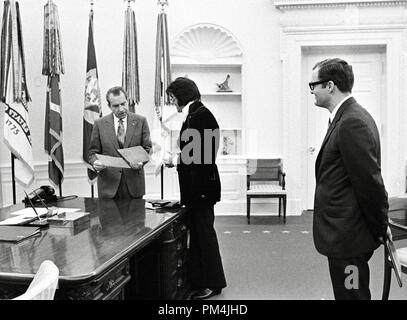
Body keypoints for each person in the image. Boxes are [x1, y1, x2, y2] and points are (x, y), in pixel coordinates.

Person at [310, 58, 390, 300]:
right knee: (350, 293)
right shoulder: (345, 117)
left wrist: (380, 226)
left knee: (352, 294)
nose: (312, 90)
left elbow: (369, 182)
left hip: (348, 238)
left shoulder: (352, 121)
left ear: (330, 85)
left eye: (313, 85)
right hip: (344, 235)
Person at [165, 77, 227, 300]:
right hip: (199, 188)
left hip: (200, 189)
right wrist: (181, 157)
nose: (173, 102)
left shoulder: (199, 116)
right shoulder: (197, 114)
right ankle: (202, 280)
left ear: (182, 95)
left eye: (173, 97)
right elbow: (197, 153)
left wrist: (176, 160)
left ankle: (212, 283)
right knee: (201, 235)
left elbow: (201, 158)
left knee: (204, 236)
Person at [88, 86, 152, 199]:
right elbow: (92, 152)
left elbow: (147, 149)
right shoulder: (99, 124)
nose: (121, 109)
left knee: (136, 217)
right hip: (109, 186)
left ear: (127, 101)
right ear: (109, 106)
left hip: (134, 186)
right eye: (116, 106)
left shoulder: (141, 121)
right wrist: (95, 162)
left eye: (123, 104)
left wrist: (141, 162)